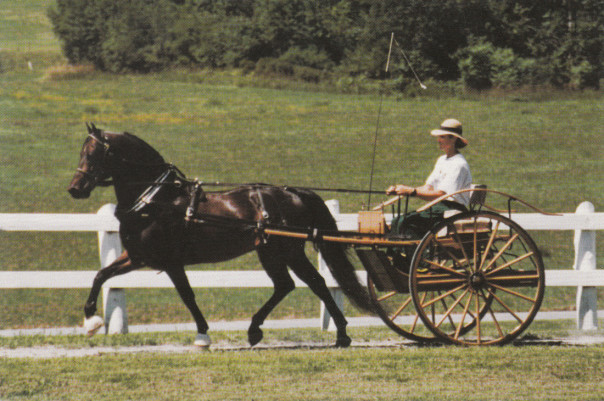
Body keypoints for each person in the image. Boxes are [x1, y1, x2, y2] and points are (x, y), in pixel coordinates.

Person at [386, 118, 472, 239]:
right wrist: (401, 190)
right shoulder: (442, 160)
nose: (438, 140)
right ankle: (397, 255)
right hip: (439, 207)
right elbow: (428, 187)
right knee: (397, 221)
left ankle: (416, 256)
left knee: (407, 222)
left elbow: (441, 194)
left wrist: (412, 191)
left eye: (442, 137)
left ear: (453, 139)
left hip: (452, 210)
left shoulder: (459, 164)